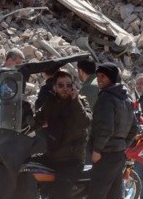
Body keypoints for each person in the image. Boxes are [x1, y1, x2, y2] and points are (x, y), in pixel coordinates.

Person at [35, 70, 90, 199]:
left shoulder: (81, 101)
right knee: (26, 166)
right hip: (52, 154)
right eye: (61, 85)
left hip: (71, 159)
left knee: (60, 193)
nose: (65, 88)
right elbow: (38, 118)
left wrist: (75, 101)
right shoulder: (51, 101)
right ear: (55, 87)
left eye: (68, 85)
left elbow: (85, 122)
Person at [88, 63, 139, 199]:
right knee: (114, 194)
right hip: (118, 155)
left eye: (103, 76)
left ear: (111, 78)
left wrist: (97, 150)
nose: (99, 79)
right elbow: (135, 128)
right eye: (98, 76)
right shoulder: (126, 98)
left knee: (97, 193)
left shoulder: (106, 97)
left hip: (105, 154)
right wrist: (123, 145)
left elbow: (105, 127)